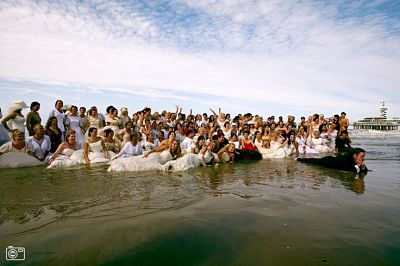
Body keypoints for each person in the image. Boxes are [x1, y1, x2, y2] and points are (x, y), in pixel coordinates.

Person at [297, 148, 368, 174]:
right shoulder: (346, 159)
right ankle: (298, 159)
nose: (363, 158)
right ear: (355, 155)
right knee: (312, 161)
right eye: (362, 156)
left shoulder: (356, 159)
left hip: (333, 162)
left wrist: (363, 167)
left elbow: (364, 171)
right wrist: (358, 166)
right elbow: (349, 170)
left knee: (313, 161)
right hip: (328, 161)